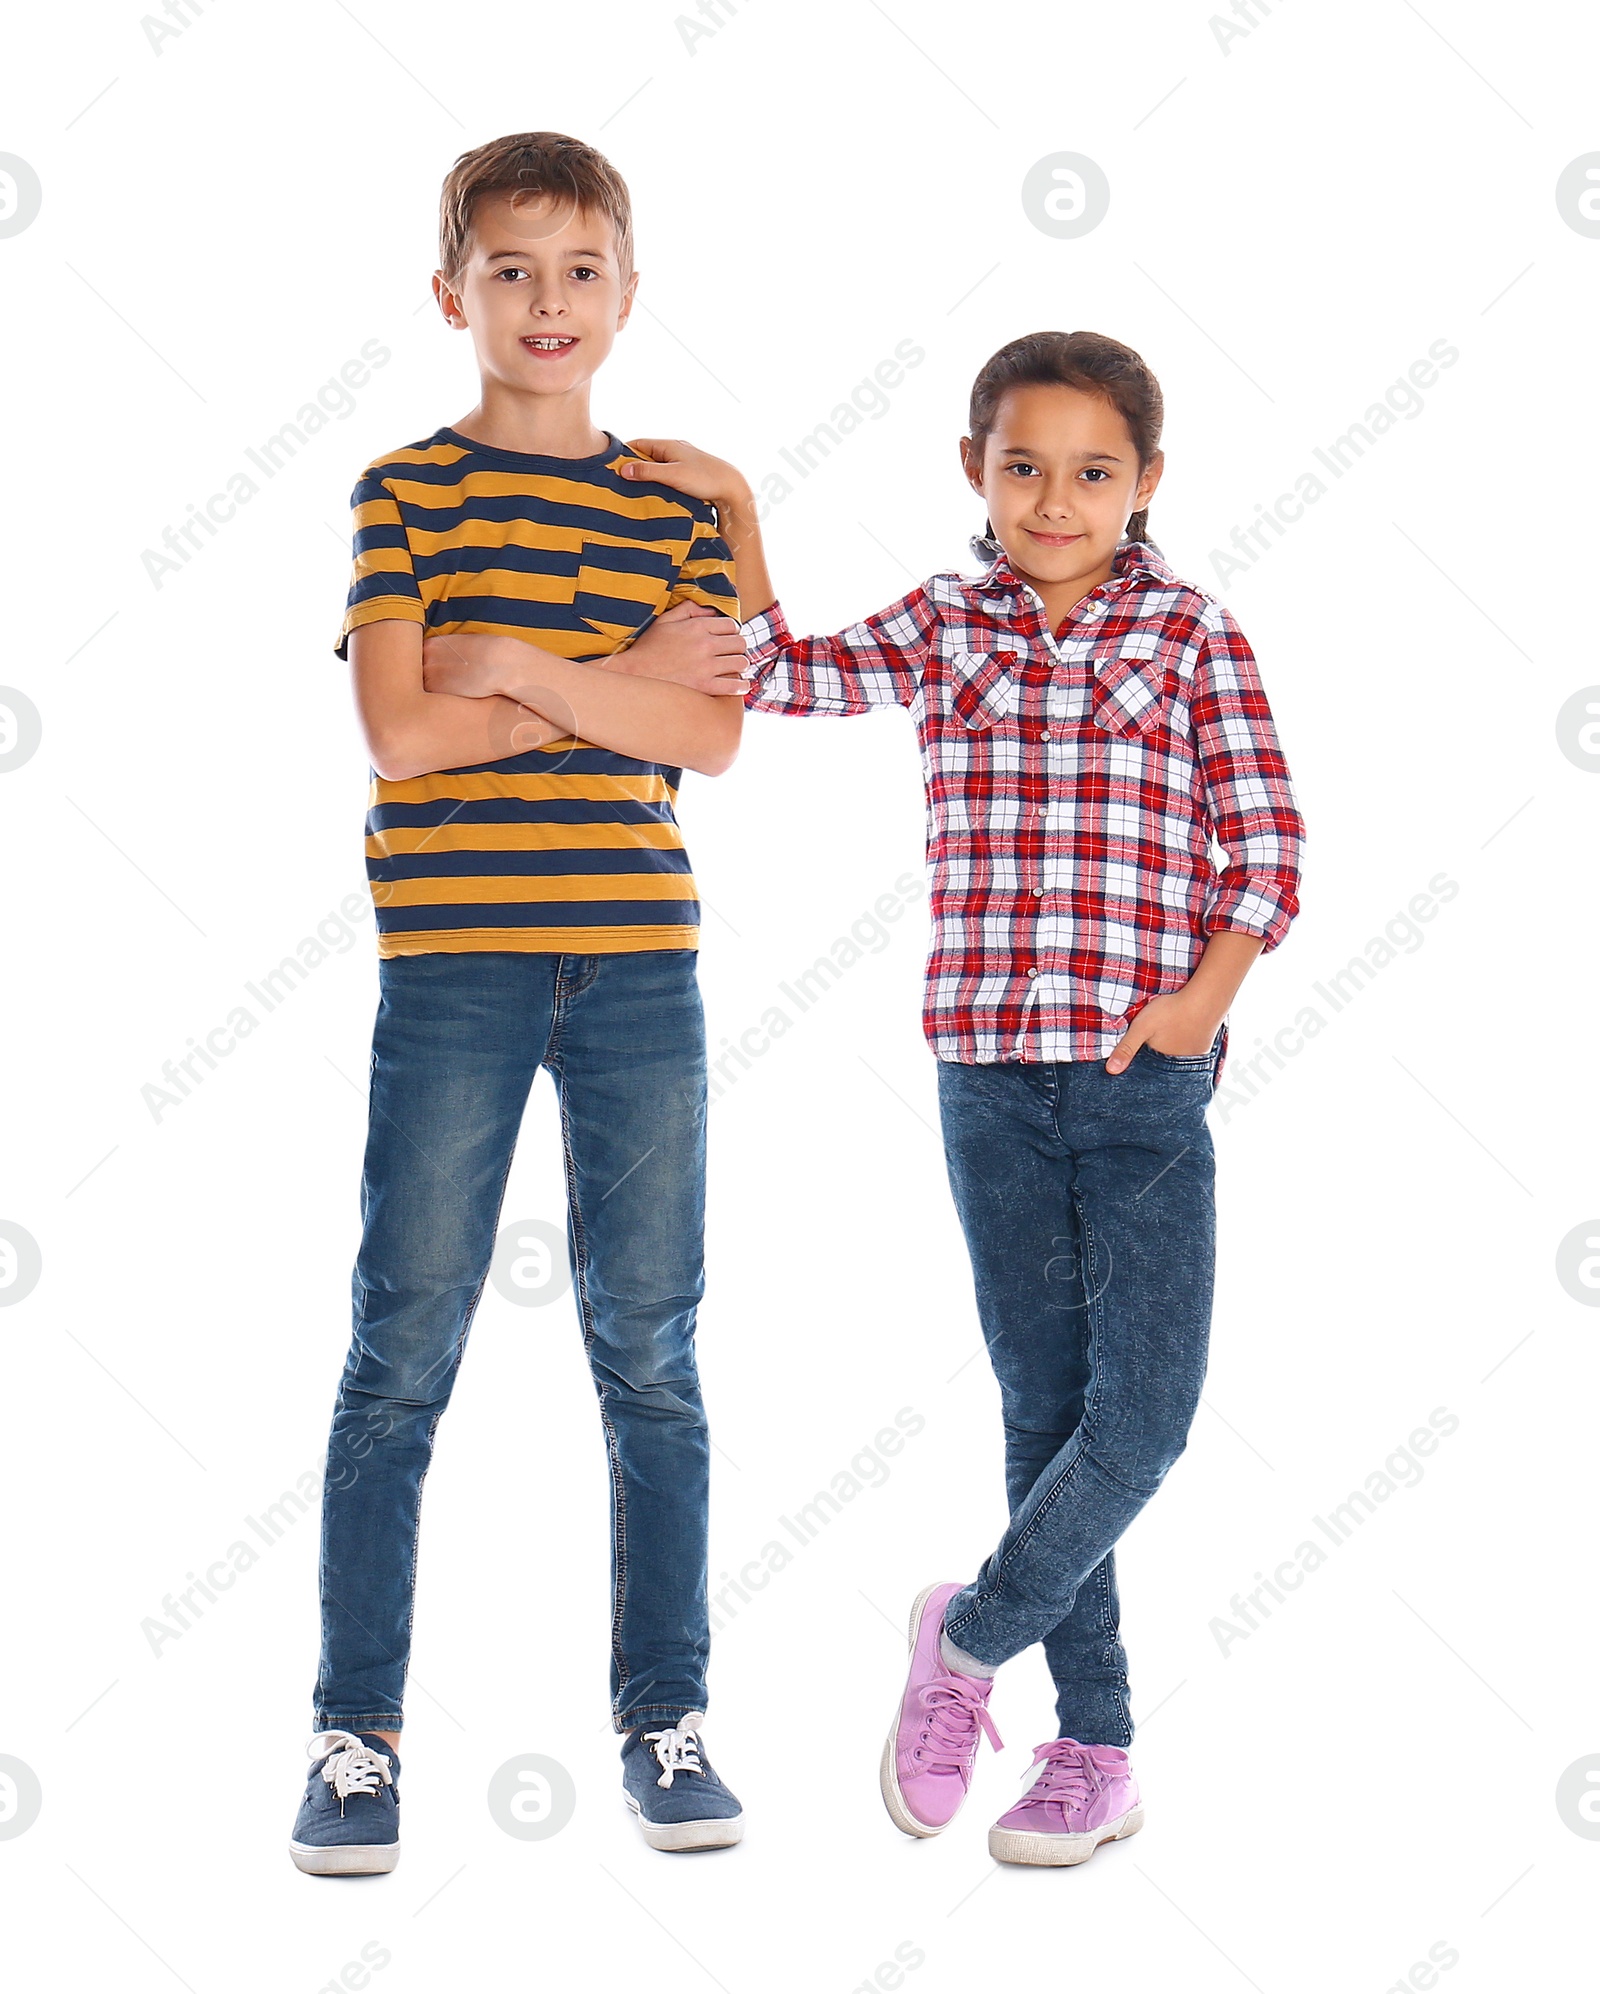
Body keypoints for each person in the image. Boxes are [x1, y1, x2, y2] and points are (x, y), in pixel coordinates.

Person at [609, 328, 1306, 1866]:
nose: (1056, 499)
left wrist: (1196, 1004)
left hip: (1142, 1079)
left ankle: (971, 1638)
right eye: (1024, 466)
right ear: (975, 470)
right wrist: (731, 506)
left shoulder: (1192, 632)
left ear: (1149, 481)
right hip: (987, 1081)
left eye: (1094, 471)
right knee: (1047, 1409)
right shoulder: (944, 622)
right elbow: (778, 671)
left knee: (1145, 1418)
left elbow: (1268, 845)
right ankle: (1095, 1748)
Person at [289, 131, 752, 1876]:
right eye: (509, 269)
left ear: (628, 292)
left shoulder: (677, 504)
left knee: (652, 1351)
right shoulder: (402, 492)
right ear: (450, 290)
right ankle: (356, 1735)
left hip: (640, 960)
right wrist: (606, 689)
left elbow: (707, 730)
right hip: (457, 965)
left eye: (578, 271)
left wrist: (523, 667)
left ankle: (667, 1716)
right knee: (402, 1348)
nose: (545, 302)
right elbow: (403, 736)